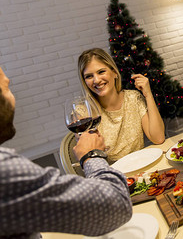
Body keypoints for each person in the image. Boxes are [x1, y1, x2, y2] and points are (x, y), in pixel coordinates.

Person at [0, 67, 132, 238]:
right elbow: (116, 206)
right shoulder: (5, 170)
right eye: (6, 88)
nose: (13, 98)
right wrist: (91, 155)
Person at [78, 48, 165, 162]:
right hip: (112, 176)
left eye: (101, 72)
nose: (96, 80)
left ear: (114, 72)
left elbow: (158, 138)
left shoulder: (133, 98)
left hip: (141, 167)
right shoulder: (83, 113)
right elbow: (91, 161)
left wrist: (148, 94)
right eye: (89, 76)